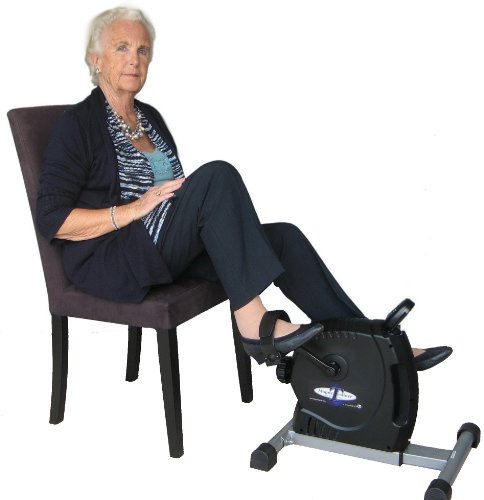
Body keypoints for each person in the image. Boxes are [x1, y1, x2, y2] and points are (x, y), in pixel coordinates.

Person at [36, 7, 451, 370]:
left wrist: (185, 211)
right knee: (217, 175)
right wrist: (133, 209)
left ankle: (370, 343)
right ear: (95, 59)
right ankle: (253, 322)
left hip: (162, 246)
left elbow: (175, 196)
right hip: (117, 258)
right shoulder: (79, 125)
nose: (134, 59)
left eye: (143, 50)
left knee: (283, 238)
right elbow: (53, 220)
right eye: (122, 48)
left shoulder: (150, 118)